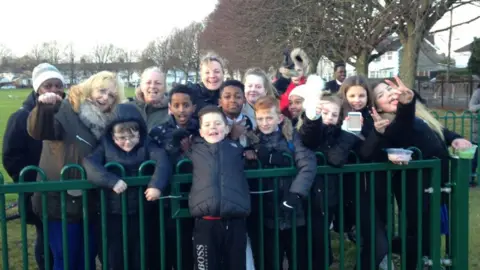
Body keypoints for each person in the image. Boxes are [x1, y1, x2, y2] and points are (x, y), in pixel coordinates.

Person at [26, 71, 125, 270]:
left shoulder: (108, 123)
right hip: (59, 201)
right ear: (90, 89)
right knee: (66, 259)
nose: (105, 98)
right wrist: (44, 107)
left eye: (111, 95)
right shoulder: (67, 109)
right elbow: (39, 131)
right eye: (102, 91)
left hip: (89, 203)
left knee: (86, 259)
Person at [83, 103, 171, 270]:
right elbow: (89, 164)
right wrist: (111, 181)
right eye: (122, 138)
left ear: (140, 133)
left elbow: (162, 160)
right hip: (113, 213)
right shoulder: (105, 145)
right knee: (115, 257)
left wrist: (156, 185)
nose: (128, 142)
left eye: (132, 136)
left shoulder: (147, 144)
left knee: (141, 255)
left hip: (142, 212)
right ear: (112, 135)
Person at [2, 63, 64, 270]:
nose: (54, 90)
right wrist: (33, 184)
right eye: (48, 86)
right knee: (46, 238)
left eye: (57, 85)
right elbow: (11, 156)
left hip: (68, 189)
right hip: (39, 192)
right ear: (38, 89)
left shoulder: (67, 113)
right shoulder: (21, 117)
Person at [250, 96, 316, 269]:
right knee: (270, 261)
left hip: (294, 212)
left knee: (298, 259)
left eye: (269, 118)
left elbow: (307, 164)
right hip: (266, 214)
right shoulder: (252, 139)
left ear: (279, 118)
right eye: (260, 119)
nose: (264, 123)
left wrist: (295, 194)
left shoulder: (292, 137)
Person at [186, 105, 251, 270]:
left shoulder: (237, 149)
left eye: (217, 123)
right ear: (200, 131)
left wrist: (253, 151)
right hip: (205, 223)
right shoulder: (194, 151)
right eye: (207, 125)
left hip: (235, 221)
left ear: (227, 128)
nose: (212, 127)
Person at [149, 84, 199, 270]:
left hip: (195, 196)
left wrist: (190, 152)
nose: (181, 110)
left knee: (189, 248)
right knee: (169, 245)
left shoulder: (202, 128)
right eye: (176, 105)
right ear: (169, 106)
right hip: (169, 199)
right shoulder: (158, 132)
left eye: (186, 105)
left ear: (193, 107)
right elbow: (154, 161)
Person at [273, 48, 311, 117]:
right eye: (292, 71)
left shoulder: (309, 87)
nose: (295, 74)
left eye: (299, 70)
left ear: (303, 71)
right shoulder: (282, 87)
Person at [132, 67, 170, 132]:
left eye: (158, 83)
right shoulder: (129, 107)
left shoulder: (172, 111)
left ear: (165, 87)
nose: (152, 86)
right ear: (141, 86)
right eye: (148, 82)